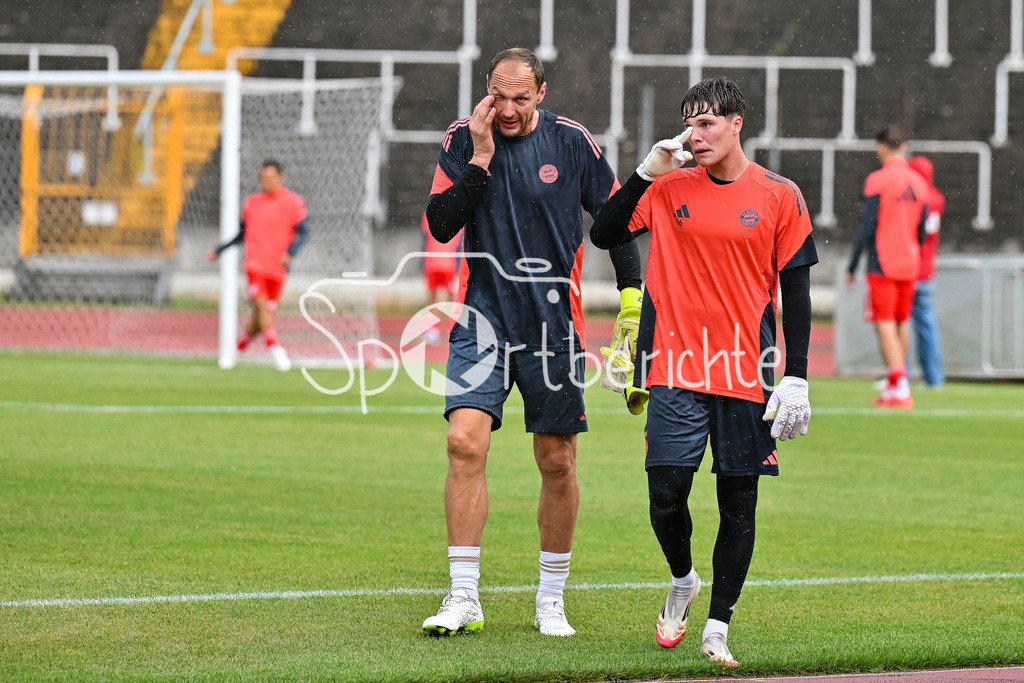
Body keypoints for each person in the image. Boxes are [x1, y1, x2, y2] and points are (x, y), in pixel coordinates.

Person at [591, 77, 817, 667]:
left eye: (707, 122)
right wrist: (644, 173)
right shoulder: (668, 187)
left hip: (745, 373)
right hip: (674, 367)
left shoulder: (780, 195)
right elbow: (604, 233)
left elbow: (796, 290)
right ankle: (683, 579)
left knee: (738, 501)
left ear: (737, 124)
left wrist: (796, 375)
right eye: (690, 123)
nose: (696, 134)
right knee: (666, 495)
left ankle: (718, 626)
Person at [420, 47, 644, 638]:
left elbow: (618, 222)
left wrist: (632, 300)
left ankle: (551, 599)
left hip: (552, 325)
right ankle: (463, 595)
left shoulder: (572, 142)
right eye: (499, 96)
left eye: (521, 98)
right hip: (481, 319)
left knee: (557, 460)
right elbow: (441, 224)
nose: (508, 109)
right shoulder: (463, 138)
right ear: (487, 90)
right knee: (463, 443)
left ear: (541, 92)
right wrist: (481, 157)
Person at [845, 127, 929, 408]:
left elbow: (867, 226)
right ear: (904, 147)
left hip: (882, 261)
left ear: (881, 148)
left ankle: (900, 387)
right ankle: (895, 388)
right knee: (901, 322)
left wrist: (852, 265)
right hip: (910, 262)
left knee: (884, 324)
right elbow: (921, 229)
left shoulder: (878, 180)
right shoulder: (919, 183)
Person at [208, 159, 309, 372]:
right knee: (263, 308)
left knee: (263, 316)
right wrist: (220, 250)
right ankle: (276, 350)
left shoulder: (293, 202)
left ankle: (235, 351)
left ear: (280, 178)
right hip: (255, 265)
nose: (267, 182)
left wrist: (290, 253)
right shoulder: (252, 203)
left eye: (271, 178)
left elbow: (304, 233)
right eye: (263, 178)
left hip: (278, 268)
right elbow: (241, 234)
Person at [907, 155, 945, 388]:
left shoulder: (916, 197)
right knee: (927, 327)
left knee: (899, 324)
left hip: (909, 268)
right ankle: (934, 377)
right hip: (927, 270)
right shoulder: (937, 198)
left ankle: (900, 377)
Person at [420, 211, 460, 343]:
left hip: (434, 261)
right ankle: (452, 329)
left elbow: (424, 239)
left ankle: (433, 330)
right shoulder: (457, 212)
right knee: (452, 298)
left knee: (434, 298)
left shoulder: (430, 211)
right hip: (446, 262)